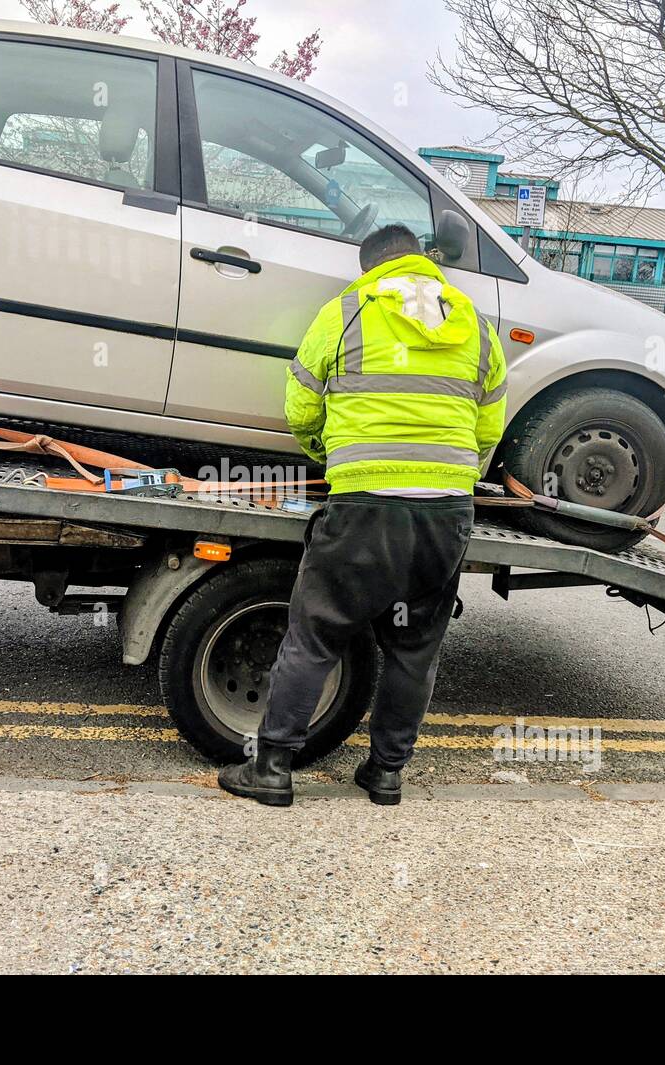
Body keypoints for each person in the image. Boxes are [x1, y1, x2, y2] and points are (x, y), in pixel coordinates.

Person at [218, 223, 507, 807]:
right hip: (444, 513)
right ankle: (385, 774)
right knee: (413, 647)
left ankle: (272, 770)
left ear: (370, 265)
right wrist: (451, 475)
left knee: (315, 636)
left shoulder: (346, 311)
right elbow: (489, 427)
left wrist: (334, 458)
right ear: (423, 263)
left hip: (363, 506)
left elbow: (301, 403)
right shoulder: (476, 325)